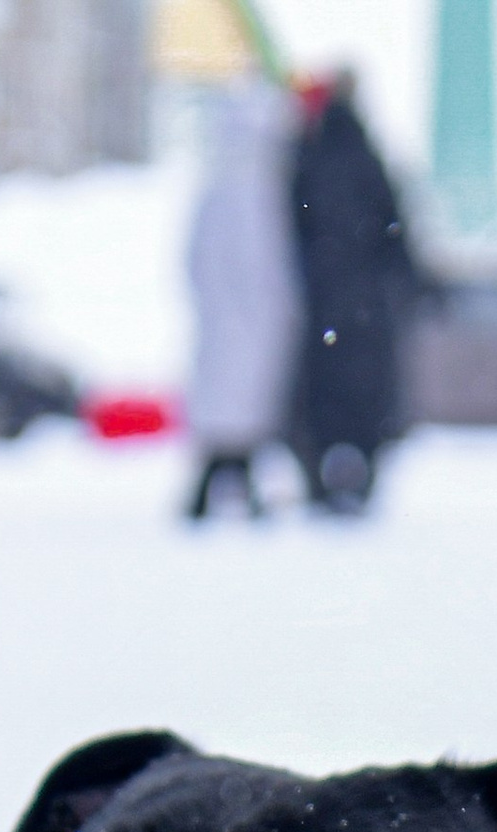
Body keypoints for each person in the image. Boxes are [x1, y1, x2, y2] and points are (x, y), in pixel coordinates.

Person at [289, 70, 417, 516]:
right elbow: (394, 230)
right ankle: (363, 482)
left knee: (320, 402)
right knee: (367, 402)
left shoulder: (307, 156)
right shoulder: (368, 157)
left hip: (321, 303)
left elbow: (294, 228)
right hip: (367, 307)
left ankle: (320, 486)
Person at [182, 74, 302, 520]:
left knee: (227, 409)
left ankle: (219, 490)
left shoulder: (219, 186)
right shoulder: (258, 192)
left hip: (224, 327)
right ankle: (230, 490)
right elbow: (269, 268)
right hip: (247, 323)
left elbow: (194, 260)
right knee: (242, 407)